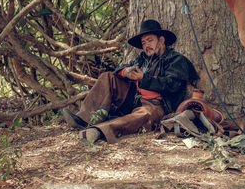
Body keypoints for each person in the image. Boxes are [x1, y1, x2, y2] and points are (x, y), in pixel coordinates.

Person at [62, 19, 199, 143]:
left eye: (150, 40)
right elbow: (122, 68)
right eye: (143, 43)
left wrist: (143, 79)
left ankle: (99, 131)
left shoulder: (175, 59)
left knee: (144, 114)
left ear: (161, 40)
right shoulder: (142, 58)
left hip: (157, 106)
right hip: (133, 100)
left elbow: (172, 85)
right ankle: (84, 119)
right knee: (107, 77)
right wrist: (126, 72)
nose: (146, 46)